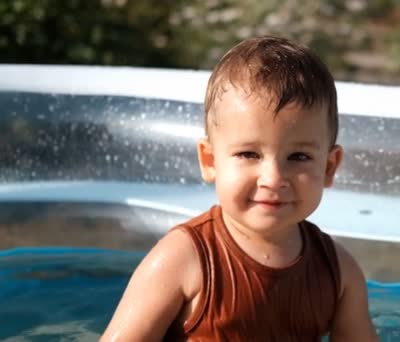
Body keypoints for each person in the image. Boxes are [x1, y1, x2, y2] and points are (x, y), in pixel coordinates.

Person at [101, 36, 378, 342]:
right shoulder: (183, 260)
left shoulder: (341, 273)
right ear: (210, 160)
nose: (273, 178)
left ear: (328, 167)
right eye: (249, 154)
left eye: (298, 157)